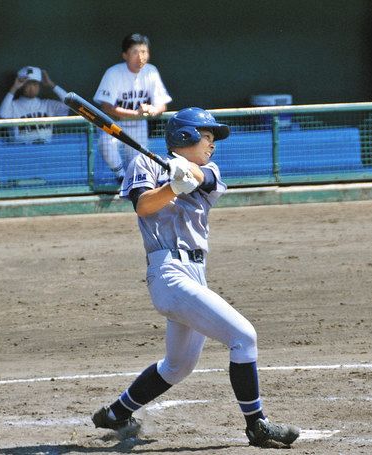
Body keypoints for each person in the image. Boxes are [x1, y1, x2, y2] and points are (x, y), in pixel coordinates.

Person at [90, 108, 300, 448]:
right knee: (244, 337)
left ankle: (115, 414)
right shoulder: (143, 165)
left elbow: (207, 180)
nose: (212, 144)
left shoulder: (209, 169)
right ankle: (256, 425)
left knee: (178, 366)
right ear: (185, 136)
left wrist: (187, 173)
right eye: (207, 136)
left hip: (195, 275)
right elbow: (144, 206)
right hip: (168, 273)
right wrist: (171, 185)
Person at [93, 33, 171, 182]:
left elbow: (162, 104)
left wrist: (153, 109)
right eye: (135, 52)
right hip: (114, 125)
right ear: (125, 55)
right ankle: (120, 176)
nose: (140, 57)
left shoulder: (151, 71)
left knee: (137, 166)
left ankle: (131, 180)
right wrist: (136, 113)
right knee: (105, 143)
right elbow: (107, 106)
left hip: (139, 126)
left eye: (144, 52)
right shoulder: (113, 73)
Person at [0, 66, 69, 144]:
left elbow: (70, 104)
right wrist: (14, 87)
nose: (32, 87)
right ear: (21, 86)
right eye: (28, 84)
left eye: (35, 84)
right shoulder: (13, 105)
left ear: (39, 86)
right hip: (20, 151)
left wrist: (51, 84)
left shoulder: (47, 104)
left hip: (46, 150)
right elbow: (2, 115)